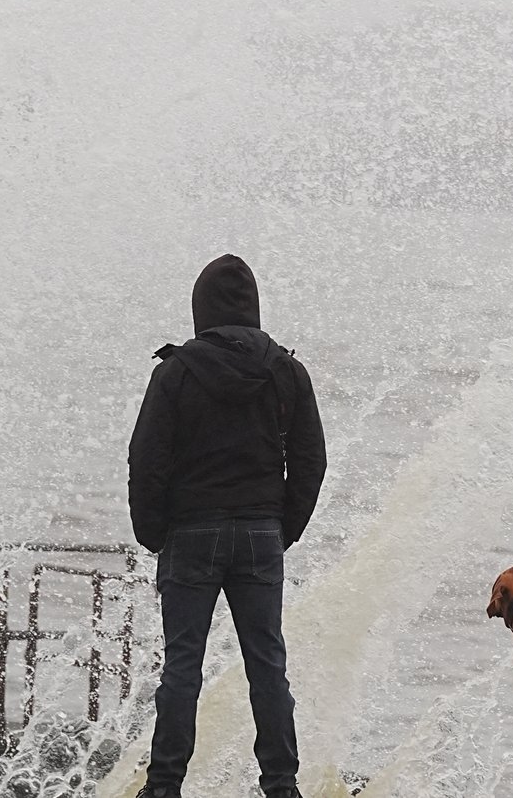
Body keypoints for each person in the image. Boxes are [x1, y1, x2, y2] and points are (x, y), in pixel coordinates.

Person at [128, 254, 327, 798]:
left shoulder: (175, 372)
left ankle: (164, 785)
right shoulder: (286, 370)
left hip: (190, 534)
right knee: (268, 664)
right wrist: (282, 528)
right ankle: (282, 786)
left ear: (201, 311)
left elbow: (147, 459)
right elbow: (310, 460)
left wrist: (154, 534)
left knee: (182, 666)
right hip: (261, 532)